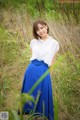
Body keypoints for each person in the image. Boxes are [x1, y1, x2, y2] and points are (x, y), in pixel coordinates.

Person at [18, 20, 59, 120]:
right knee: (30, 95)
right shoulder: (33, 42)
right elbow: (32, 56)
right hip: (31, 70)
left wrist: (49, 74)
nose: (40, 31)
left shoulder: (54, 43)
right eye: (37, 30)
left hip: (44, 70)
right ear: (35, 32)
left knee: (42, 96)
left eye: (42, 28)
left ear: (46, 26)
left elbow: (53, 61)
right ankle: (32, 117)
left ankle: (40, 116)